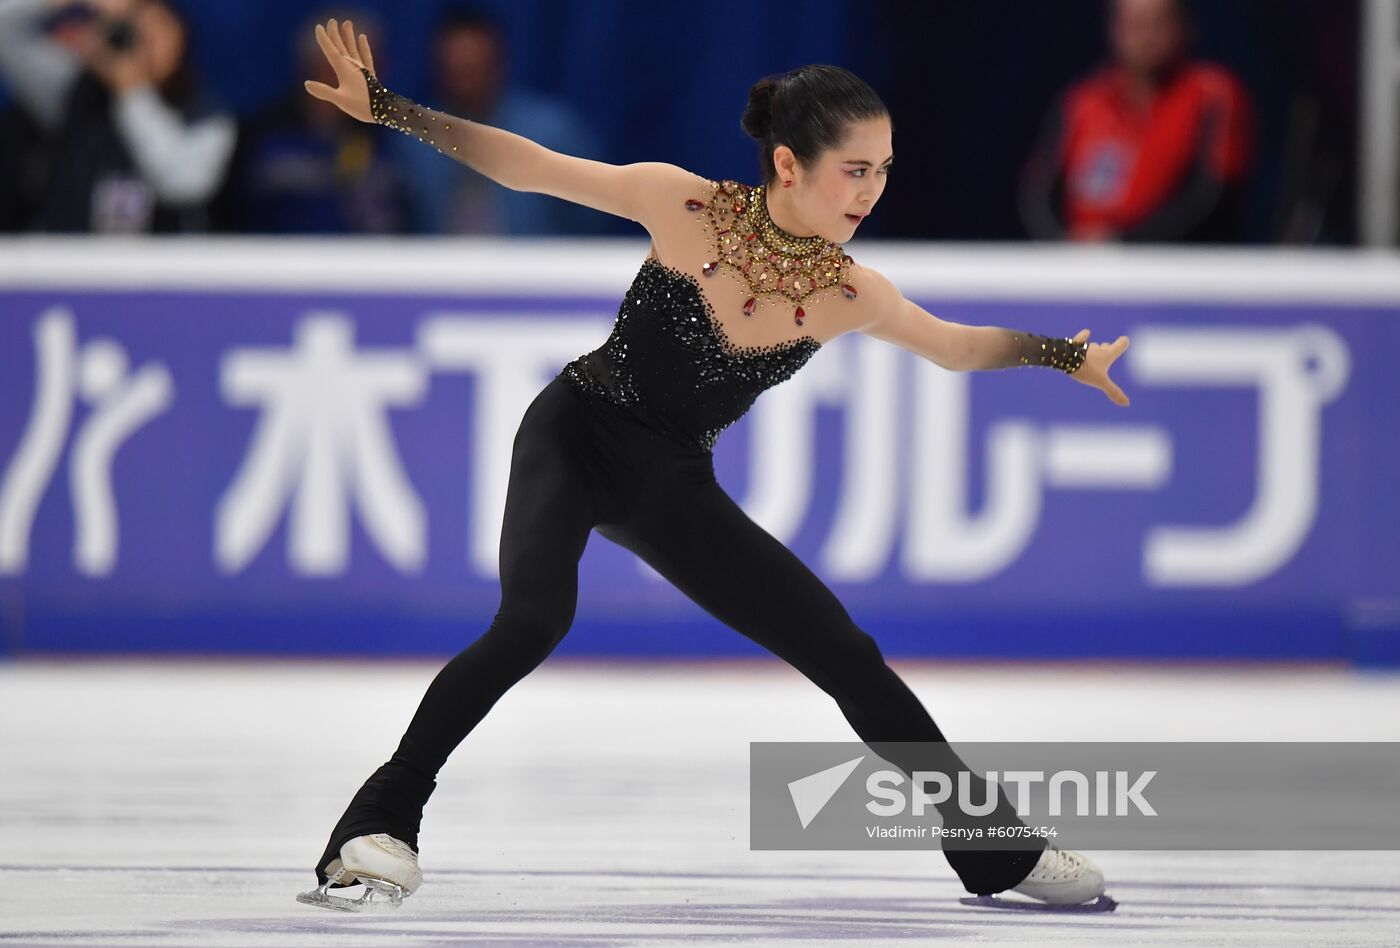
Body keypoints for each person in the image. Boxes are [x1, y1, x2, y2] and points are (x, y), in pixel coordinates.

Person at [297, 17, 1131, 913]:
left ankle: (991, 849)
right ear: (787, 164)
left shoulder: (849, 293)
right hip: (576, 433)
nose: (873, 191)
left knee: (846, 653)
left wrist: (1058, 354)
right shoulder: (683, 206)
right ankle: (378, 825)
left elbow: (959, 346)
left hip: (669, 481)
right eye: (857, 169)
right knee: (533, 620)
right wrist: (389, 109)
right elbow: (529, 165)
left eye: (885, 169)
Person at [1019, 0, 1253, 243]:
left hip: (1171, 267)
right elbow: (1036, 194)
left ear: (1185, 26)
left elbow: (1212, 197)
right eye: (1135, 23)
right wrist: (1065, 246)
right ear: (1114, 29)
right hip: (1080, 266)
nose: (1146, 36)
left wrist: (1123, 244)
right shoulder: (1083, 102)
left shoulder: (1213, 94)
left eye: (1158, 23)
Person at [0, 0, 236, 233]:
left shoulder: (207, 118)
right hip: (61, 261)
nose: (145, 45)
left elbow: (184, 183)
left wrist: (132, 90)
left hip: (158, 267)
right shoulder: (74, 92)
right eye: (133, 32)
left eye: (157, 33)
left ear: (182, 38)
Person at [388, 7, 608, 236]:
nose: (465, 86)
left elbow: (593, 214)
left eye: (473, 71)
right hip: (440, 268)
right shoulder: (414, 144)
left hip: (535, 266)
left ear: (498, 67)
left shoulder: (552, 133)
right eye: (455, 73)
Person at [219, 8, 409, 234]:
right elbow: (230, 221)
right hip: (275, 263)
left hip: (368, 264)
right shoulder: (259, 137)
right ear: (315, 66)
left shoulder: (390, 143)